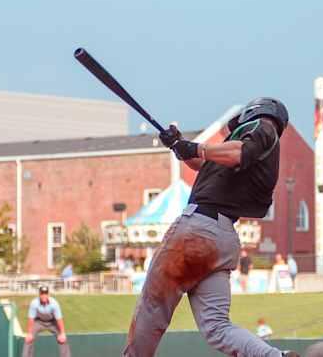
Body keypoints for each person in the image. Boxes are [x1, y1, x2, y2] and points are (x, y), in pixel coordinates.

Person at [123, 98, 299, 357]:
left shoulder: (264, 126)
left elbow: (235, 152)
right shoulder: (252, 156)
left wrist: (197, 147)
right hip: (222, 240)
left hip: (198, 230)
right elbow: (206, 163)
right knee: (217, 327)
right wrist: (178, 144)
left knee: (153, 307)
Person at [22, 285, 71, 357]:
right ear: (39, 295)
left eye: (45, 294)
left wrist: (62, 333)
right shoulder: (34, 303)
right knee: (28, 339)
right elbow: (31, 319)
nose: (44, 296)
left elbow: (59, 319)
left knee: (62, 339)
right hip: (39, 322)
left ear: (48, 295)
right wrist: (29, 333)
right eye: (42, 294)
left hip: (52, 322)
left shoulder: (54, 303)